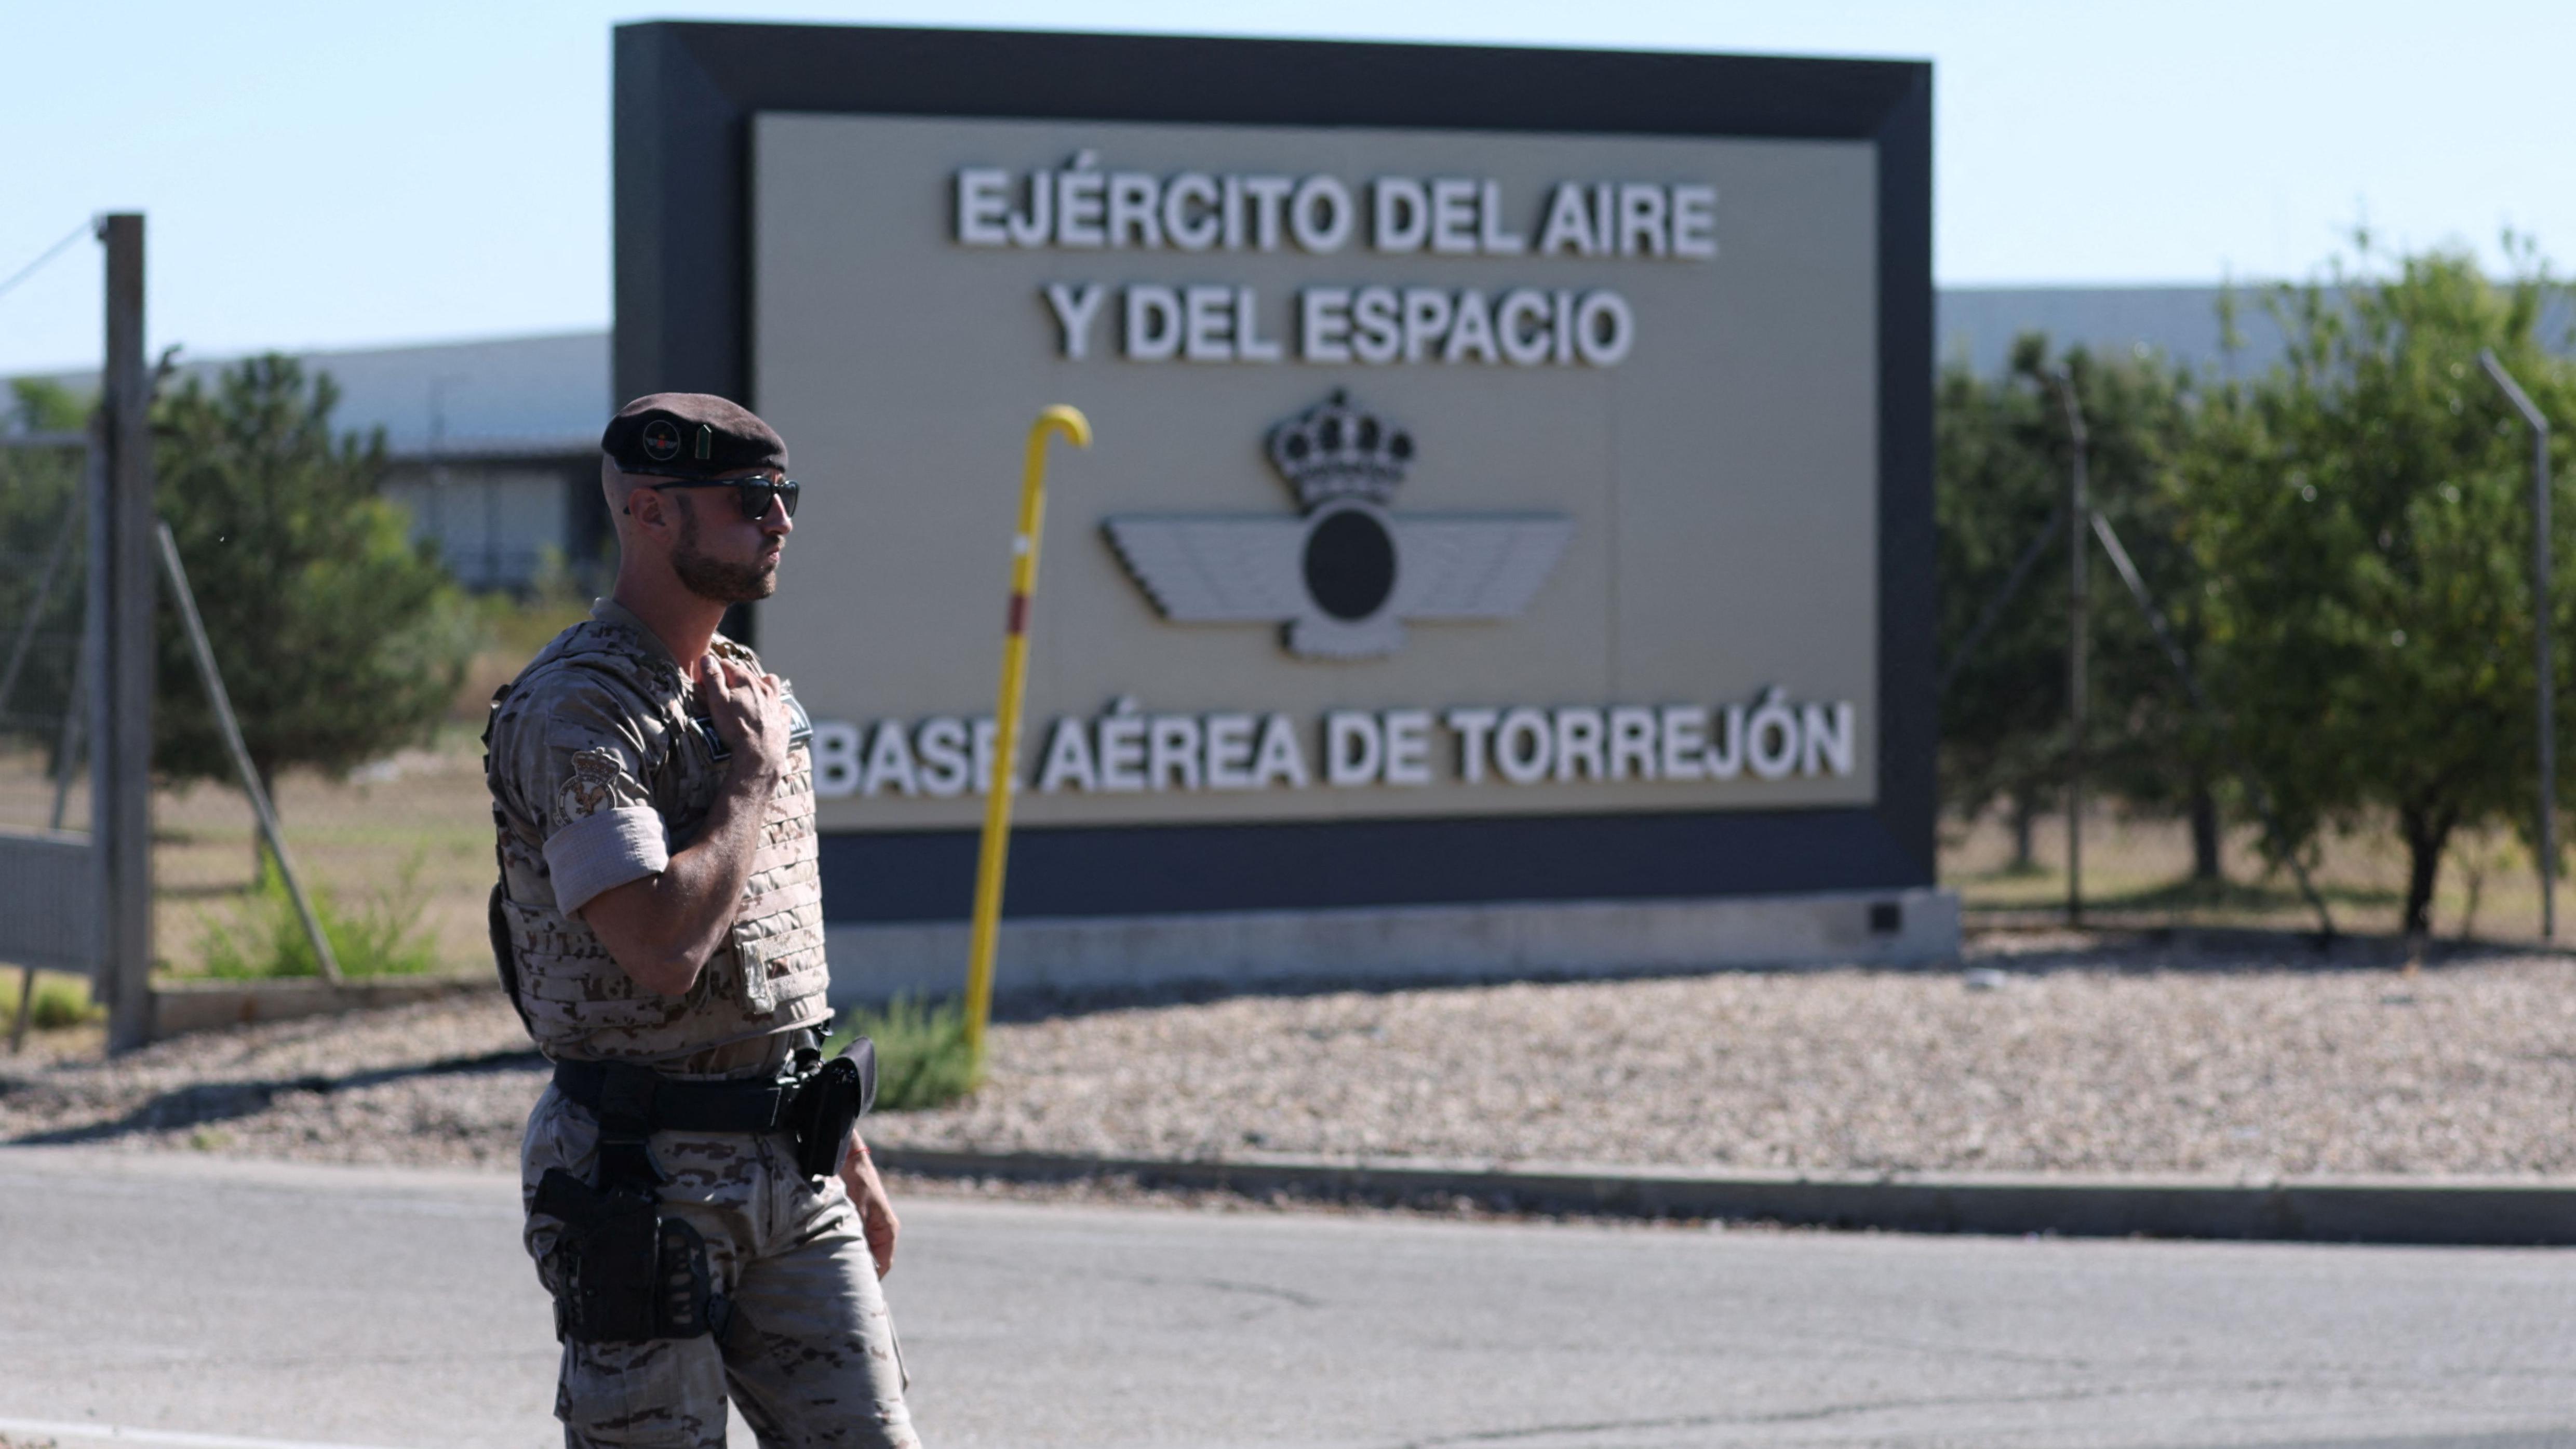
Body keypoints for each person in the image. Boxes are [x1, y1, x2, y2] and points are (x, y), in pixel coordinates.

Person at [484, 393, 919, 1448]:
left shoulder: (750, 697)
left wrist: (841, 1145)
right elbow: (663, 949)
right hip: (641, 1175)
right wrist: (746, 782)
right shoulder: (578, 712)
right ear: (648, 512)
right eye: (747, 499)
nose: (778, 520)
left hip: (791, 1165)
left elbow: (771, 953)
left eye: (783, 496)